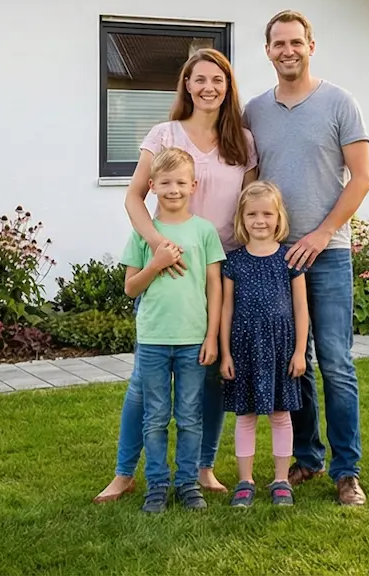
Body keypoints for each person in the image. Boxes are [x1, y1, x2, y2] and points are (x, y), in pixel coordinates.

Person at [96, 49, 256, 504]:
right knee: (141, 388)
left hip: (219, 266)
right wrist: (156, 245)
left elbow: (246, 205)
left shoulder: (242, 141)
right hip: (166, 269)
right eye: (199, 78)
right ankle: (125, 472)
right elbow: (133, 196)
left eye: (217, 80)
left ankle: (201, 468)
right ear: (186, 84)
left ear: (228, 87)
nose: (208, 87)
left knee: (210, 375)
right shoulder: (163, 134)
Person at [242, 10, 369, 506]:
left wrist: (322, 233)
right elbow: (248, 179)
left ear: (311, 46)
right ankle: (308, 457)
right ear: (268, 51)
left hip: (328, 254)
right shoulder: (254, 111)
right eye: (279, 44)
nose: (287, 50)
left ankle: (347, 471)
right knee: (293, 361)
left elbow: (361, 177)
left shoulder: (340, 102)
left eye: (296, 42)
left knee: (336, 363)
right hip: (275, 258)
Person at [119, 147, 224, 513]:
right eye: (165, 182)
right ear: (152, 186)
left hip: (194, 339)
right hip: (153, 340)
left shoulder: (204, 232)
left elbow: (215, 286)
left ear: (193, 185)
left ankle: (187, 483)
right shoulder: (144, 234)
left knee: (191, 415)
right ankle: (157, 485)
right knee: (156, 416)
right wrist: (157, 262)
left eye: (181, 182)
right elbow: (131, 287)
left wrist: (212, 336)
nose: (174, 189)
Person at [218, 181, 310, 508]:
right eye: (252, 214)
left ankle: (281, 479)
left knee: (280, 414)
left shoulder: (290, 259)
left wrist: (300, 351)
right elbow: (227, 308)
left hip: (281, 347)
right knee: (245, 416)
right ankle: (245, 481)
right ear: (241, 219)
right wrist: (225, 352)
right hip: (243, 346)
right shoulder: (234, 262)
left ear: (278, 217)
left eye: (267, 214)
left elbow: (301, 308)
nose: (260, 220)